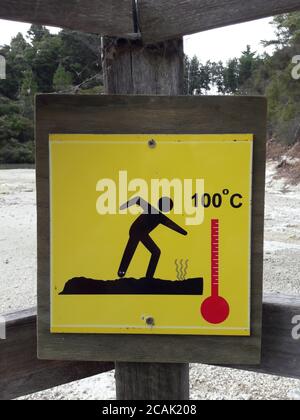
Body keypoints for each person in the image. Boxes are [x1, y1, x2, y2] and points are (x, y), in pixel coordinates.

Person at [118, 196, 188, 279]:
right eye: (166, 205)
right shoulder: (151, 209)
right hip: (136, 230)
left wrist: (184, 232)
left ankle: (149, 276)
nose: (167, 207)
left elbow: (172, 225)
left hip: (142, 233)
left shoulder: (161, 217)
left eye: (168, 206)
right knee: (131, 249)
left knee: (156, 252)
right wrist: (123, 206)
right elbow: (137, 199)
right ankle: (122, 271)